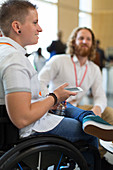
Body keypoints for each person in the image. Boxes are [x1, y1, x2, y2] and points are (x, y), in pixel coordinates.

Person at [0, 2, 113, 169]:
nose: (40, 29)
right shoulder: (15, 60)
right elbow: (22, 118)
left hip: (32, 114)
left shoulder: (9, 54)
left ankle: (89, 118)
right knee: (89, 134)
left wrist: (50, 100)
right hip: (32, 127)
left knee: (84, 110)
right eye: (35, 22)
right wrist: (54, 97)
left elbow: (99, 97)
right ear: (17, 27)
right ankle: (95, 164)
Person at [38, 27, 113, 156]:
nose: (84, 41)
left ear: (92, 44)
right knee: (87, 122)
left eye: (88, 39)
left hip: (78, 107)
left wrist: (97, 108)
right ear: (73, 41)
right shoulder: (59, 60)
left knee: (109, 113)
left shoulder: (94, 69)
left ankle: (99, 154)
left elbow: (100, 96)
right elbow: (40, 81)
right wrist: (49, 100)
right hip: (58, 107)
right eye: (81, 38)